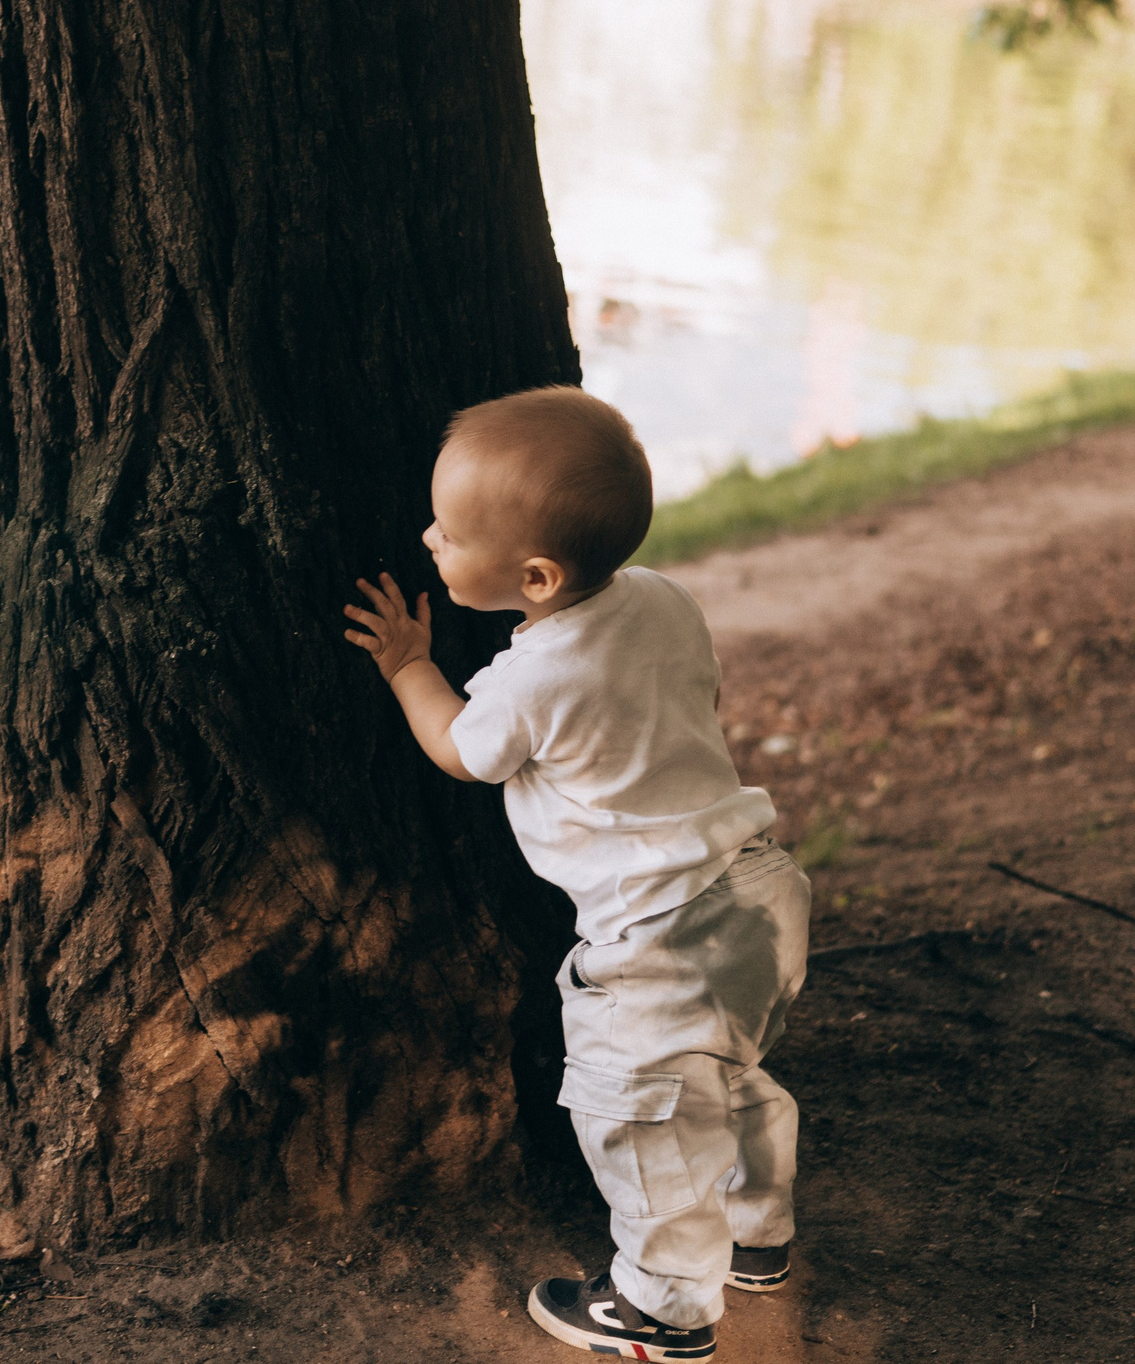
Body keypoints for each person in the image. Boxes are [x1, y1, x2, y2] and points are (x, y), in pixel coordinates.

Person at [342, 386, 807, 1363]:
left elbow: (460, 749)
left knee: (638, 1110)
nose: (428, 536)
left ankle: (661, 1308)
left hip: (661, 929)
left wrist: (405, 666)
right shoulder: (664, 600)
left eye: (450, 532)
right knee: (727, 1075)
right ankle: (755, 1236)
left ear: (538, 577)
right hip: (755, 885)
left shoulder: (531, 677)